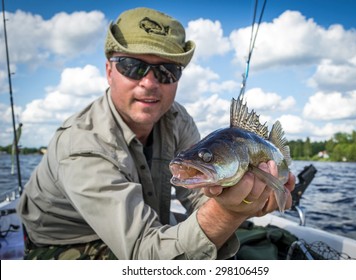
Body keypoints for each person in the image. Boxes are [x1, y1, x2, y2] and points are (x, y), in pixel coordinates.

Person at [17, 7, 295, 260]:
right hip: (66, 247)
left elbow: (201, 197)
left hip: (144, 232)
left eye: (167, 71)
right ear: (109, 70)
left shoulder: (177, 119)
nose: (149, 83)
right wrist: (227, 212)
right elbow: (145, 257)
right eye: (132, 66)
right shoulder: (83, 145)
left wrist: (241, 200)